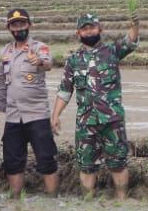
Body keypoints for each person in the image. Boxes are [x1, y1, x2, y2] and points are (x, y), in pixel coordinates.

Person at [52, 12, 139, 199]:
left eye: (92, 27)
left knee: (118, 164)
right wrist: (55, 116)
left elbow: (130, 41)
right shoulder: (73, 60)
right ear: (78, 33)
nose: (89, 31)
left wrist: (134, 25)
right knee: (86, 165)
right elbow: (65, 91)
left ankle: (122, 201)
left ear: (100, 29)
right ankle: (88, 203)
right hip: (86, 122)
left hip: (112, 120)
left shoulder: (112, 51)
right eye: (85, 28)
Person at [0, 9, 59, 198]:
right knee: (12, 162)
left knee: (46, 159)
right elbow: (2, 84)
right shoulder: (6, 52)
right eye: (14, 24)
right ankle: (15, 201)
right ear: (9, 28)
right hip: (13, 116)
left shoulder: (39, 48)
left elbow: (47, 63)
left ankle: (53, 200)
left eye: (21, 23)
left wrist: (39, 63)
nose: (18, 28)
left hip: (37, 114)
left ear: (29, 25)